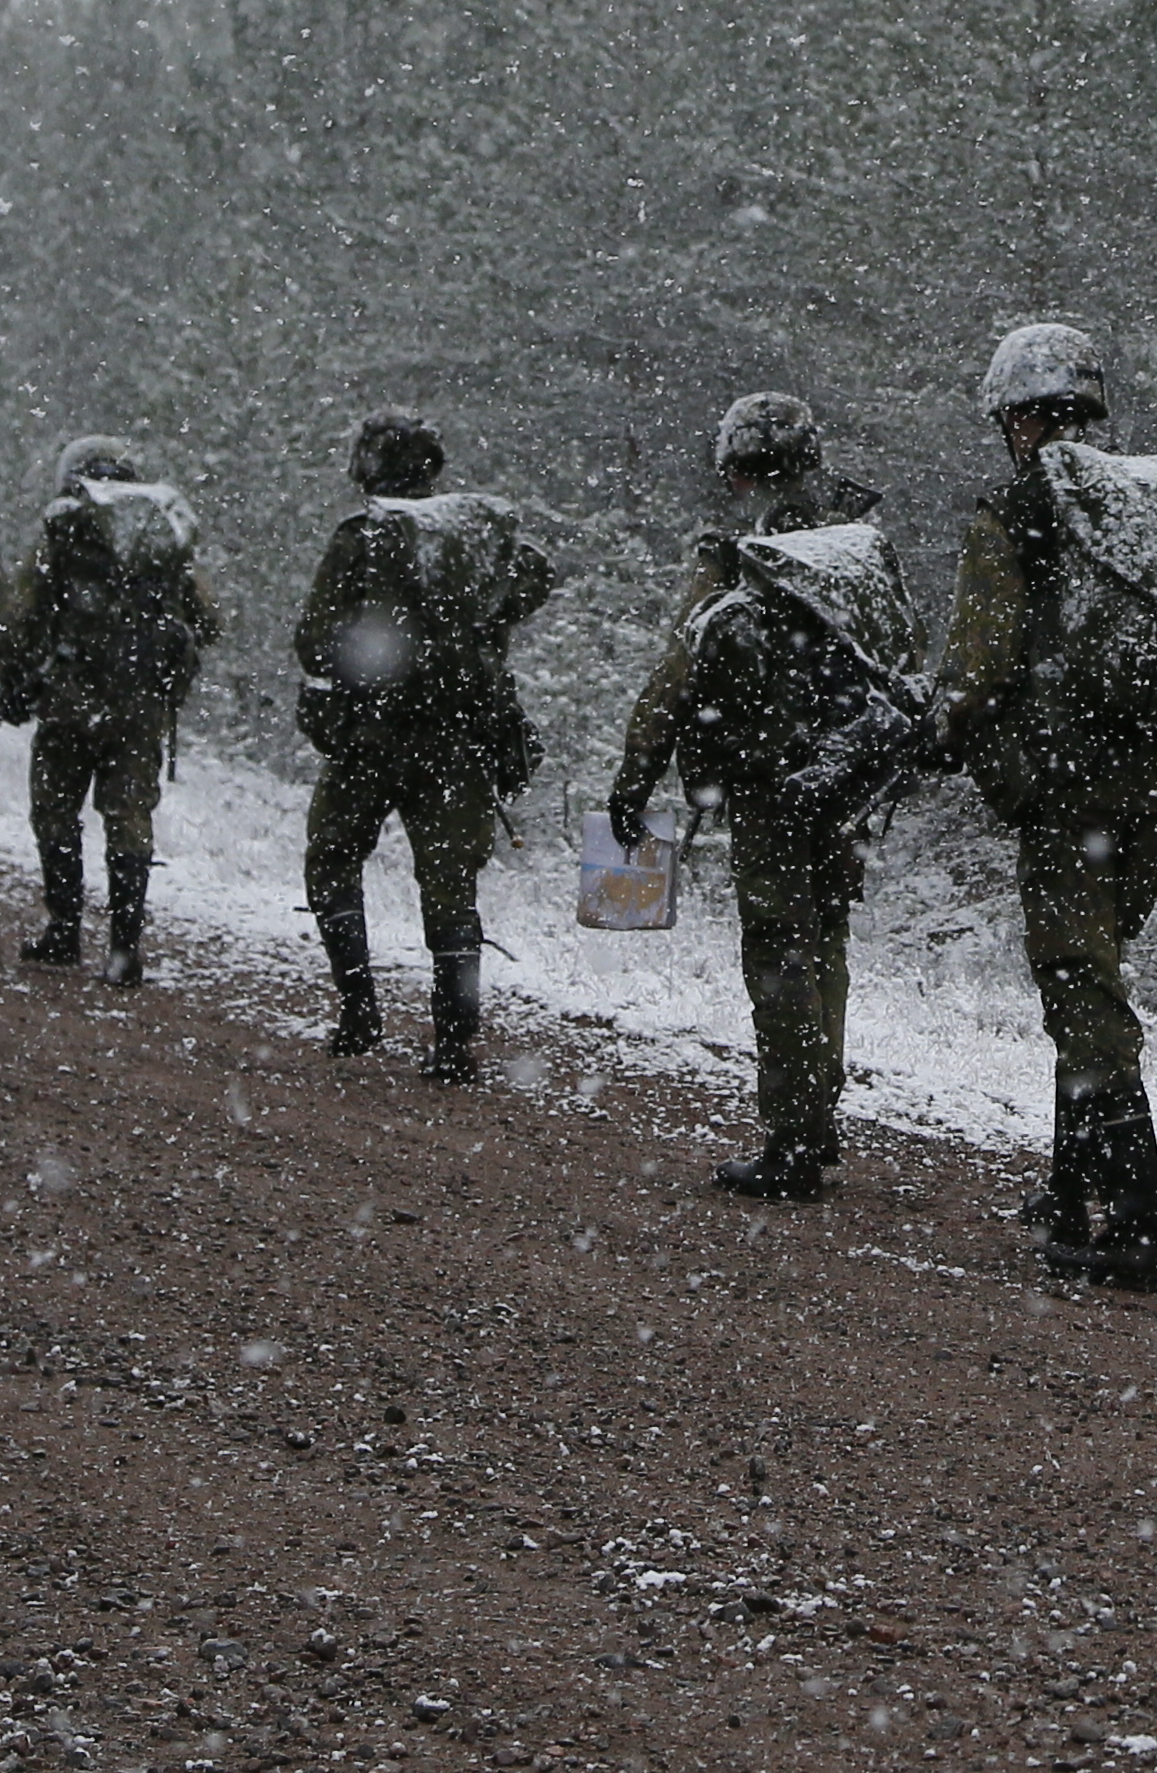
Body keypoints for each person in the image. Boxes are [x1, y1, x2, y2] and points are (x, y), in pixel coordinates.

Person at [926, 321, 1157, 1292]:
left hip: (1067, 795)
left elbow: (977, 670)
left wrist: (941, 730)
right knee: (1091, 978)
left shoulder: (1018, 515)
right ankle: (1070, 1181)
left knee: (1083, 997)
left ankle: (1130, 1220)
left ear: (1013, 420)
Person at [606, 392, 923, 1199]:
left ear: (740, 468)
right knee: (827, 947)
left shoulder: (738, 558)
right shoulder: (857, 546)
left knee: (779, 954)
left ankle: (792, 1138)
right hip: (846, 784)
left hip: (770, 788)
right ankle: (818, 1120)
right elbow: (904, 660)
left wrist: (635, 778)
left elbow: (677, 678)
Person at [292, 407, 557, 1080]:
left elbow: (314, 639)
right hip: (458, 741)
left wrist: (374, 653)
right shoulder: (479, 535)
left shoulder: (362, 538)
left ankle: (358, 1009)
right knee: (449, 889)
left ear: (367, 468)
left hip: (372, 739)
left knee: (331, 860)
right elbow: (533, 582)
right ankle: (455, 1042)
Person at [0, 434, 221, 985]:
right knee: (128, 818)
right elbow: (209, 620)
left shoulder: (66, 527)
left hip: (71, 697)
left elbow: (24, 611)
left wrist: (14, 679)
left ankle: (64, 929)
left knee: (55, 812)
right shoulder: (158, 534)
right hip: (139, 703)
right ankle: (124, 947)